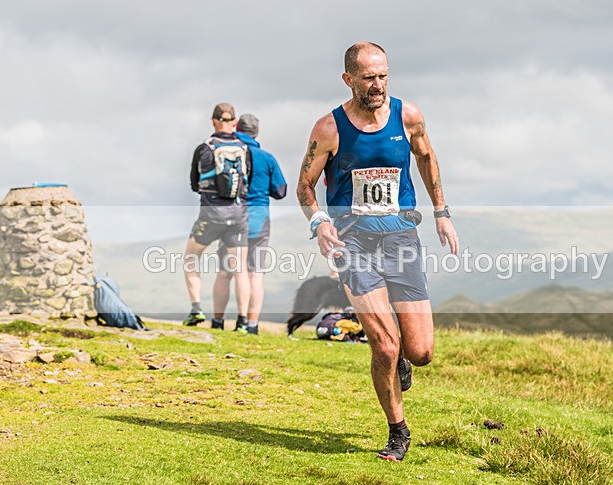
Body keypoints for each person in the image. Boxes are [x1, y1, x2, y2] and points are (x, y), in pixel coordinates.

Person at [296, 42, 459, 462]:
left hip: (402, 240)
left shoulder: (408, 116)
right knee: (385, 346)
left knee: (420, 353)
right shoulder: (328, 129)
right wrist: (320, 223)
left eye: (383, 76)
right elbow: (305, 186)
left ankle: (403, 356)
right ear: (348, 79)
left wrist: (441, 212)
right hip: (353, 244)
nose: (378, 85)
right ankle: (397, 431)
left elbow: (426, 156)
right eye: (368, 77)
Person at [211, 114, 287, 333]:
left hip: (231, 219)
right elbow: (280, 191)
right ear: (256, 133)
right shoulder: (267, 158)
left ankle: (217, 322)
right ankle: (250, 325)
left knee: (225, 272)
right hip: (258, 222)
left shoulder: (228, 154)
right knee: (254, 273)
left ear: (237, 129)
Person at [183, 103, 251, 332]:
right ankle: (243, 322)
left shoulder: (204, 148)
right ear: (234, 123)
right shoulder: (244, 148)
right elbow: (248, 181)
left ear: (213, 122)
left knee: (191, 258)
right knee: (240, 268)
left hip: (211, 214)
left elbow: (194, 183)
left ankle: (196, 309)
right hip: (238, 215)